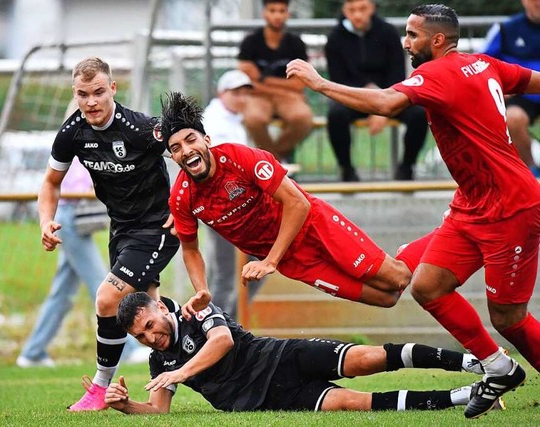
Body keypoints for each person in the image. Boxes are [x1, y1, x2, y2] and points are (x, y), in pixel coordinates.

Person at [286, 4, 540, 419]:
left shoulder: (438, 73)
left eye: (412, 35)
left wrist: (319, 83)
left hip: (511, 208)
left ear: (437, 41)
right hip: (472, 206)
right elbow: (532, 81)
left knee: (509, 318)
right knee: (426, 286)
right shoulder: (482, 63)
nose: (405, 42)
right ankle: (499, 368)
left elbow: (387, 104)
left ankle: (501, 366)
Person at [160, 91, 431, 319]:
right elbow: (191, 249)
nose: (185, 150)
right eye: (176, 148)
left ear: (206, 140)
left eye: (190, 139)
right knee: (387, 299)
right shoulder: (183, 196)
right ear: (173, 157)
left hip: (314, 226)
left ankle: (445, 233)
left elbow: (297, 203)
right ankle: (421, 246)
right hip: (294, 261)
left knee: (397, 278)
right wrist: (201, 290)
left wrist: (269, 261)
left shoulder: (241, 158)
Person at [39, 57, 180, 411]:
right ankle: (170, 386)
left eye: (99, 92)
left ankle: (99, 388)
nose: (91, 102)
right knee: (151, 313)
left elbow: (189, 154)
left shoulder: (140, 128)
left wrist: (185, 210)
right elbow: (50, 182)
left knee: (107, 299)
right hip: (122, 230)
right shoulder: (72, 132)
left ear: (113, 89)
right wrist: (46, 221)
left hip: (157, 228)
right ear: (76, 93)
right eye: (83, 94)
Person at [104, 292, 493, 414]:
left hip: (280, 357)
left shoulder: (196, 310)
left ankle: (470, 362)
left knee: (367, 359)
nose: (150, 338)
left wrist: (182, 373)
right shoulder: (160, 362)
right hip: (267, 399)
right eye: (140, 337)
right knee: (351, 403)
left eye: (149, 327)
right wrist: (128, 407)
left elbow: (221, 341)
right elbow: (159, 411)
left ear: (158, 309)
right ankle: (463, 397)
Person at [17, 158, 109, 368]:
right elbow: (74, 182)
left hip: (71, 216)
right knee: (103, 286)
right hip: (69, 218)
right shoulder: (75, 138)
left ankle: (33, 353)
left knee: (62, 293)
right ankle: (127, 346)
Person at [325, 0, 428, 181]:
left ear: (372, 8)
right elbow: (338, 79)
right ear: (344, 10)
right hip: (353, 98)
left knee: (419, 114)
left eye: (362, 9)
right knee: (335, 114)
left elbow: (397, 73)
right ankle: (347, 170)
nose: (357, 15)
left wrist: (382, 107)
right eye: (352, 10)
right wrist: (369, 95)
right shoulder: (335, 38)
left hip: (389, 95)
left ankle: (407, 167)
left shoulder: (387, 33)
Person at [202, 69, 264, 318]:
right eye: (235, 92)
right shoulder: (214, 123)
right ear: (222, 93)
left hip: (233, 207)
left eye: (245, 93)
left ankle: (222, 323)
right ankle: (215, 327)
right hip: (221, 207)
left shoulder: (230, 120)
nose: (241, 98)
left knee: (236, 269)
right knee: (227, 272)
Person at [237, 0, 314, 162]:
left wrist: (261, 79)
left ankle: (271, 160)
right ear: (264, 13)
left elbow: (299, 84)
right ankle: (274, 163)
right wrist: (285, 87)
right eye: (272, 10)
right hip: (260, 97)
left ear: (288, 14)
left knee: (304, 118)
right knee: (253, 119)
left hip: (286, 97)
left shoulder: (296, 44)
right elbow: (245, 83)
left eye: (281, 11)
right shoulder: (250, 42)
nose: (277, 16)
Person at [482, 0, 540, 176]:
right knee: (513, 118)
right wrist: (500, 88)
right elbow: (481, 66)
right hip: (522, 95)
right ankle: (530, 173)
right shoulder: (505, 29)